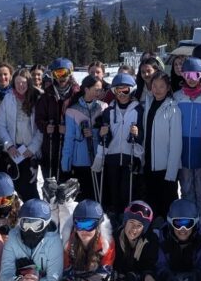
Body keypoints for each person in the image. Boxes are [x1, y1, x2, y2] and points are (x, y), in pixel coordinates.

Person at [174, 57, 201, 226]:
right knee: (187, 192)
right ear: (183, 75)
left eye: (196, 75)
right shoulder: (177, 97)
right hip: (183, 153)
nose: (191, 79)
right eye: (188, 75)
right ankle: (189, 226)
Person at [98, 73, 145, 222]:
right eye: (117, 91)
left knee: (127, 189)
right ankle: (114, 214)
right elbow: (105, 134)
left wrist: (137, 134)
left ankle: (126, 216)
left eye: (125, 90)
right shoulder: (109, 110)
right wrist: (102, 134)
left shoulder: (138, 109)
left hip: (129, 155)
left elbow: (142, 135)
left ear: (132, 90)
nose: (121, 94)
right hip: (112, 155)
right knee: (113, 187)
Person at [141, 71, 182, 222]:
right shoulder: (148, 104)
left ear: (168, 88)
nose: (157, 90)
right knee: (152, 205)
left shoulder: (173, 109)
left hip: (165, 168)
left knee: (167, 205)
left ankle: (168, 231)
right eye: (155, 86)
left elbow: (176, 143)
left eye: (161, 86)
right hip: (149, 164)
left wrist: (171, 172)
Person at [0, 68, 43, 200]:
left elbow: (41, 128)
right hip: (13, 151)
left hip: (29, 152)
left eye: (24, 82)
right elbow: (0, 125)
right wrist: (9, 146)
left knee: (29, 190)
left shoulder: (37, 98)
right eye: (18, 83)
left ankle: (34, 210)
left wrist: (32, 149)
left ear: (29, 82)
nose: (21, 85)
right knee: (11, 188)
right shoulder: (8, 99)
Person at [0, 199, 64, 281]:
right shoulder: (12, 238)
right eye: (25, 224)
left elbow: (54, 279)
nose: (30, 229)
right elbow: (5, 275)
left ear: (46, 224)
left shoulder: (53, 242)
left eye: (36, 225)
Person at [61, 75, 107, 201]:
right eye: (96, 89)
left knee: (97, 194)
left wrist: (95, 133)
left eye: (101, 89)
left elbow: (106, 132)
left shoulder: (103, 107)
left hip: (98, 158)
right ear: (86, 89)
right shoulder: (72, 110)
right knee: (82, 196)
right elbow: (69, 139)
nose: (99, 92)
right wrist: (66, 164)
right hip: (80, 161)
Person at [35, 58, 80, 180]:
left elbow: (82, 117)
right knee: (50, 180)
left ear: (70, 73)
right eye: (57, 74)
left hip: (71, 145)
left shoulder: (77, 94)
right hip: (51, 145)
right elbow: (39, 118)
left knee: (68, 180)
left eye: (64, 73)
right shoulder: (47, 95)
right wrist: (45, 126)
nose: (61, 78)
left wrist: (69, 129)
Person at [61, 199, 115, 281]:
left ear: (98, 226)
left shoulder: (106, 244)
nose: (84, 230)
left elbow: (105, 271)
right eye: (80, 225)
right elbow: (65, 267)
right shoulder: (68, 242)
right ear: (74, 226)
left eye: (89, 225)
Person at [156, 199, 201, 281]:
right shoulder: (163, 240)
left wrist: (197, 275)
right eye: (178, 223)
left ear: (195, 223)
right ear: (170, 223)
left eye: (188, 224)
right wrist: (167, 277)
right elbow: (159, 265)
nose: (182, 229)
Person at [112, 201, 159, 281]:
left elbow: (150, 263)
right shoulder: (114, 239)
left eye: (139, 225)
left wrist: (148, 274)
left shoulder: (150, 241)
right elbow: (111, 266)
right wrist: (119, 280)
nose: (134, 229)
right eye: (131, 223)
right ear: (125, 222)